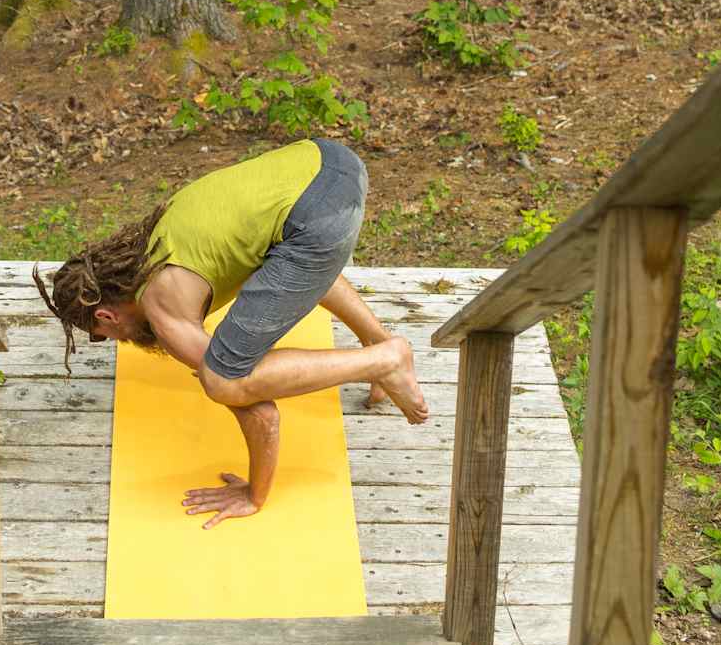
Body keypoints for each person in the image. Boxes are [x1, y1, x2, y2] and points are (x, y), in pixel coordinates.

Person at [33, 138, 428, 529]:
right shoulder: (156, 242)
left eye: (104, 333)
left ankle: (385, 359)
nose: (118, 341)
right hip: (332, 162)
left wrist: (254, 494)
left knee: (223, 378)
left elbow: (256, 406)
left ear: (106, 314)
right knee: (280, 268)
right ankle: (376, 342)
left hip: (319, 219)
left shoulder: (162, 307)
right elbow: (298, 276)